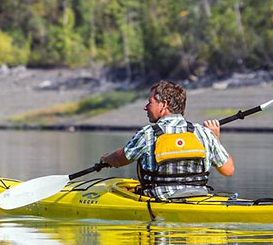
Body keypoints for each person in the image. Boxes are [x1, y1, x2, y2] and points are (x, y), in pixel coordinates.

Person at [99, 80, 234, 199]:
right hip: (199, 197)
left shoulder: (148, 134)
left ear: (163, 104)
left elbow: (119, 159)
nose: (145, 107)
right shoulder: (204, 133)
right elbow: (228, 170)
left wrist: (106, 159)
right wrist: (215, 138)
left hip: (160, 201)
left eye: (150, 102)